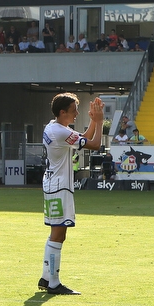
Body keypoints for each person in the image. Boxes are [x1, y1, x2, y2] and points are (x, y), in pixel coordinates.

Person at [39, 93, 103, 295]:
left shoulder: (53, 127)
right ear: (62, 112)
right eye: (74, 110)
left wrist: (93, 121)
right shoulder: (59, 131)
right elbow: (94, 144)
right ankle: (54, 283)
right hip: (60, 186)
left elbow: (82, 138)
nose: (77, 113)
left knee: (55, 232)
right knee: (59, 233)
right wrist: (100, 123)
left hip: (51, 183)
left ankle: (46, 277)